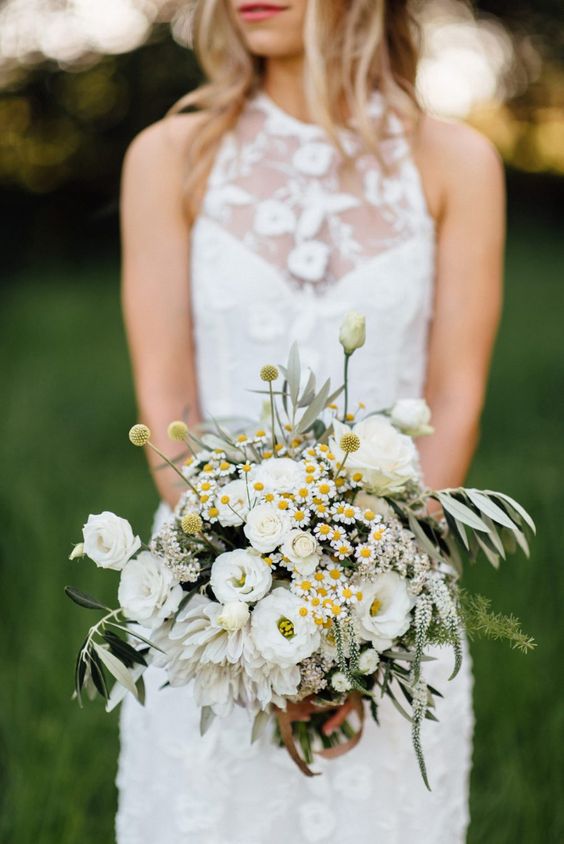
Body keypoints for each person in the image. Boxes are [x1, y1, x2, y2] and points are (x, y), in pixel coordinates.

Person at [117, 1, 504, 841]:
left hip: (392, 590)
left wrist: (356, 615)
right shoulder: (169, 157)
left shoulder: (456, 161)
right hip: (211, 592)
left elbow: (456, 396)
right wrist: (244, 600)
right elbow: (167, 403)